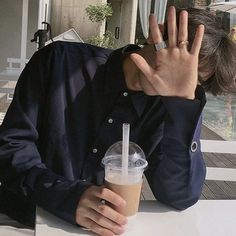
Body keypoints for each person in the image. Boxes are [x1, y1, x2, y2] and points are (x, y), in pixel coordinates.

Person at [0, 6, 235, 236]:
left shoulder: (170, 109)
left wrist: (182, 107)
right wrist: (65, 196)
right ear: (157, 36)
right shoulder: (58, 62)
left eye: (191, 76)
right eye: (177, 61)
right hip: (21, 220)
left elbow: (179, 197)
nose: (173, 77)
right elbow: (10, 148)